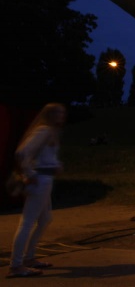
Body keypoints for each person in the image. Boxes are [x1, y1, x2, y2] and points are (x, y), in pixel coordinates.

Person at [7, 103, 66, 279]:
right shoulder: (43, 130)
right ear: (51, 115)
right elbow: (22, 152)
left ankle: (29, 257)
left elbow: (45, 156)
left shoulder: (50, 131)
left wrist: (55, 165)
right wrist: (29, 173)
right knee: (27, 222)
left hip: (45, 179)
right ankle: (16, 265)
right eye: (59, 113)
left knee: (46, 219)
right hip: (39, 180)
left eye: (63, 113)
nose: (62, 116)